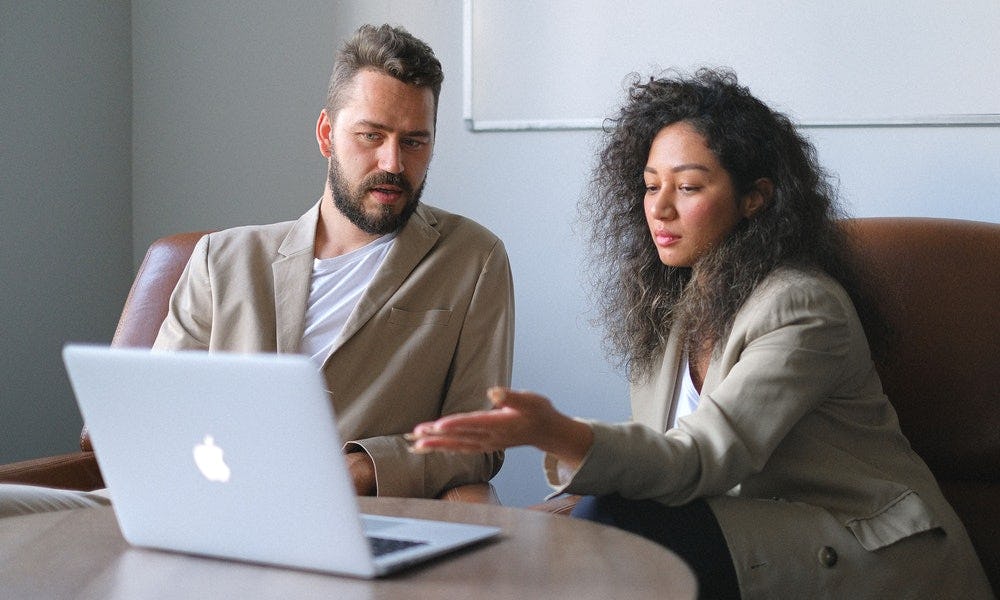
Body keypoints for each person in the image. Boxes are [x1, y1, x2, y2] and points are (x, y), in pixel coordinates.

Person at [408, 69, 991, 598]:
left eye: (687, 187)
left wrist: (557, 432)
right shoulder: (672, 305)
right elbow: (652, 470)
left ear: (754, 198)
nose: (658, 208)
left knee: (623, 528)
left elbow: (700, 459)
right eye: (649, 184)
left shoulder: (804, 307)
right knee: (578, 530)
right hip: (751, 537)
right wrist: (525, 523)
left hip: (874, 551)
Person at [1, 23, 512, 516]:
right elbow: (155, 412)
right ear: (327, 135)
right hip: (181, 501)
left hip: (339, 518)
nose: (393, 162)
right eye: (371, 135)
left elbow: (480, 439)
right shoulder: (222, 258)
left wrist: (355, 470)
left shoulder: (472, 258)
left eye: (414, 141)